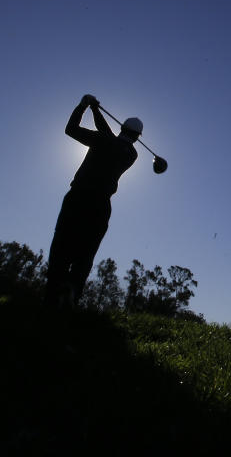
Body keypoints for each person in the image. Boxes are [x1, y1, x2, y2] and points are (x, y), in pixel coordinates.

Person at [45, 95, 141, 309]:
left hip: (78, 197)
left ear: (122, 128)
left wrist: (83, 106)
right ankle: (71, 295)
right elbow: (108, 135)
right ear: (137, 137)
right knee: (85, 255)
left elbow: (71, 129)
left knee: (62, 246)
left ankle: (52, 297)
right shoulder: (131, 153)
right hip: (101, 206)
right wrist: (96, 111)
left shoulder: (103, 140)